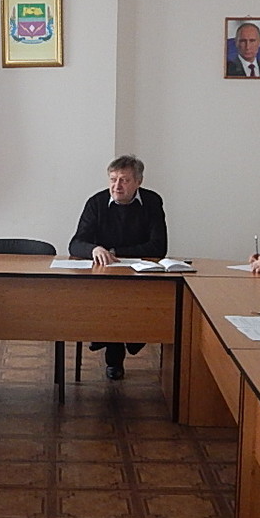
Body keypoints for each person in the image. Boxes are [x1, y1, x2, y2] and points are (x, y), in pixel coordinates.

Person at [69, 154, 169, 379]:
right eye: (113, 179)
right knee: (111, 300)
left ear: (138, 182)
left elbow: (158, 247)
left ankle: (124, 340)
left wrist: (115, 252)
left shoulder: (152, 202)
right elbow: (76, 243)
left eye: (124, 180)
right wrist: (94, 249)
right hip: (104, 275)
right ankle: (114, 353)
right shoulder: (96, 203)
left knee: (145, 304)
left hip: (140, 274)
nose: (117, 186)